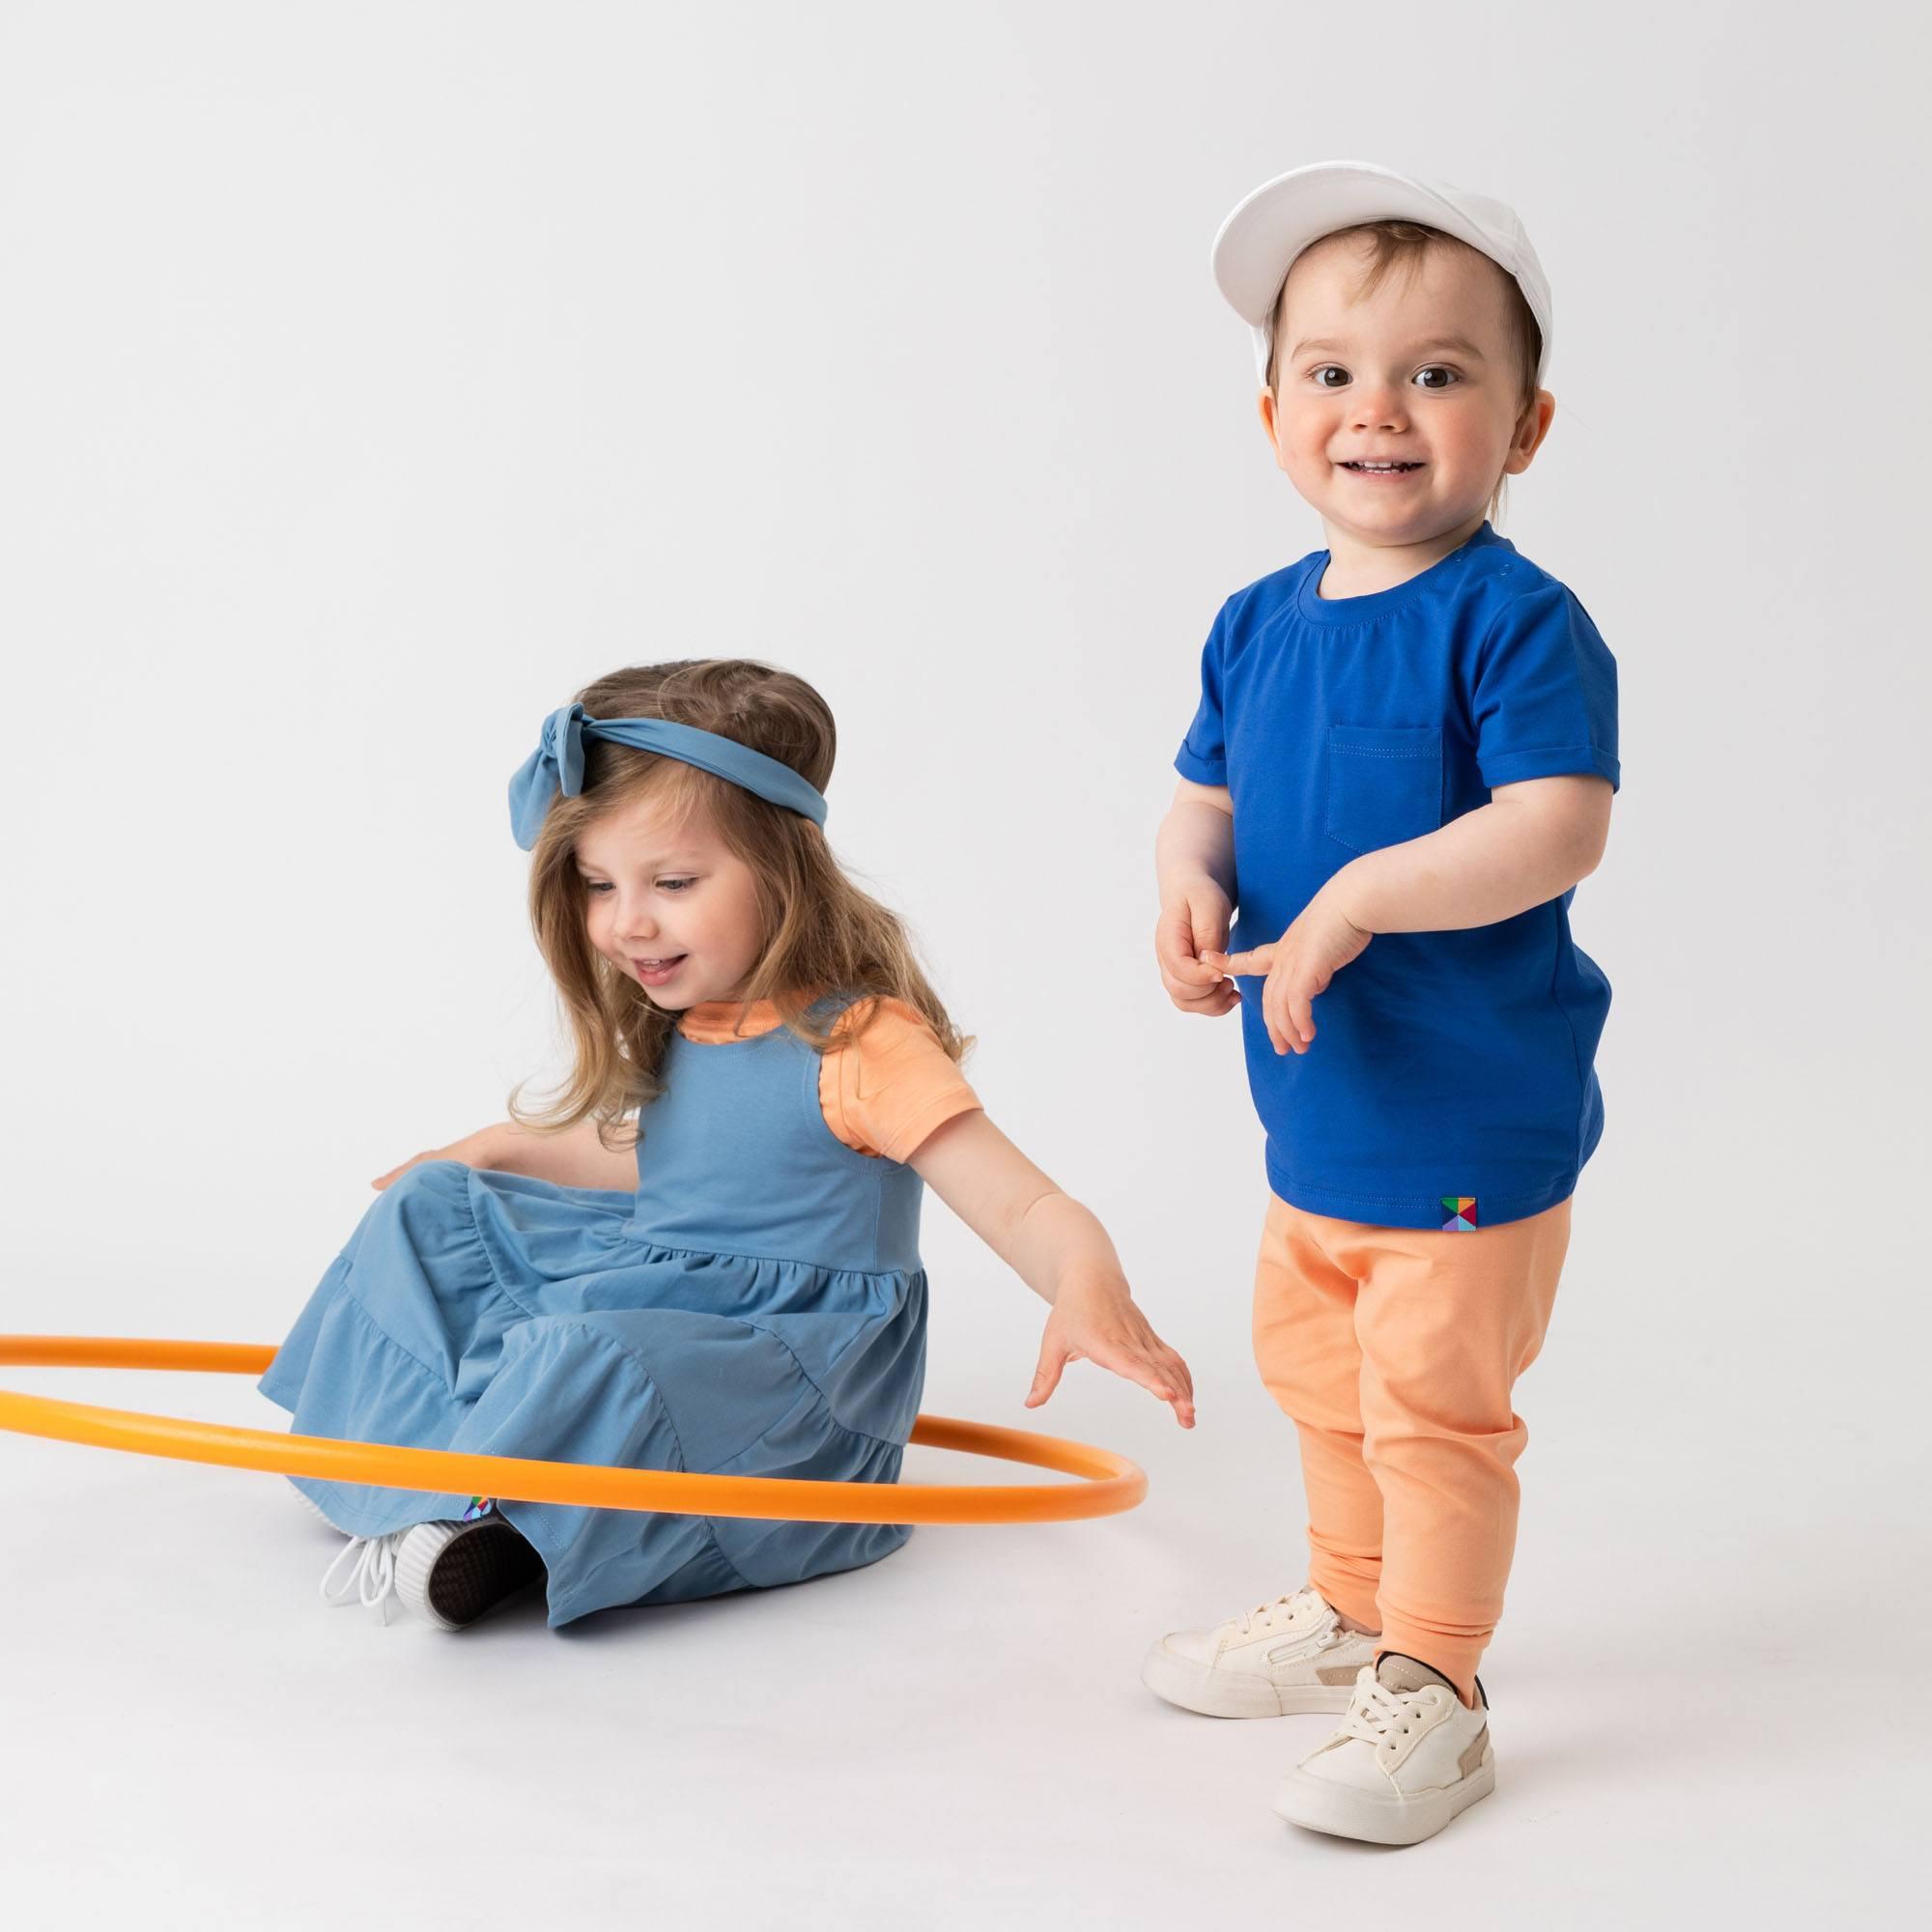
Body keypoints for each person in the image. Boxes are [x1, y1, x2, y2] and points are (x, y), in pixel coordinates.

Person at [262, 657, 1193, 1632]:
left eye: (671, 880)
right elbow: (666, 1158)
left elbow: (1021, 1203)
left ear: (781, 873)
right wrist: (501, 1147)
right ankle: (414, 1472)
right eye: (597, 883)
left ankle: (488, 1512)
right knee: (434, 1205)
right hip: (662, 1287)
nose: (628, 920)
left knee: (598, 1352)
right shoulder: (687, 1017)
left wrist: (1087, 1285)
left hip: (784, 1373)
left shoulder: (862, 1041)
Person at [1142, 161, 1618, 1846]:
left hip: (1466, 1111)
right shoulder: (1256, 623)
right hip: (1317, 1115)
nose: (1381, 410)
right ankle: (1349, 1613)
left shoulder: (1515, 621)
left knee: (1432, 1412)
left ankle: (1439, 1679)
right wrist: (1188, 883)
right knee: (1322, 1385)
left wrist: (1355, 899)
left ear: (1525, 424)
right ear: (1272, 408)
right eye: (1335, 372)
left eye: (1438, 372)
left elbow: (1555, 823)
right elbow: (1204, 791)